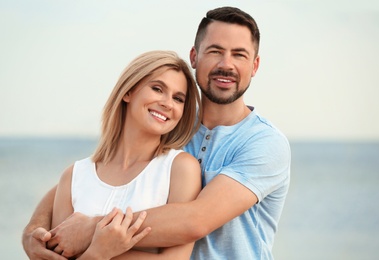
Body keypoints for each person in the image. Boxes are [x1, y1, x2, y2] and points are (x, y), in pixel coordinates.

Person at [22, 6, 291, 260]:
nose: (226, 64)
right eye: (215, 51)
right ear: (195, 57)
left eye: (239, 55)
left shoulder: (264, 143)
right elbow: (87, 182)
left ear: (254, 66)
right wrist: (33, 232)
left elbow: (195, 220)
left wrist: (93, 229)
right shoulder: (171, 127)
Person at [24, 50, 203, 259]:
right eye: (157, 89)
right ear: (128, 92)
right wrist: (98, 251)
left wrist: (96, 250)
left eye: (178, 98)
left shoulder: (181, 168)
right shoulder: (74, 175)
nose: (167, 103)